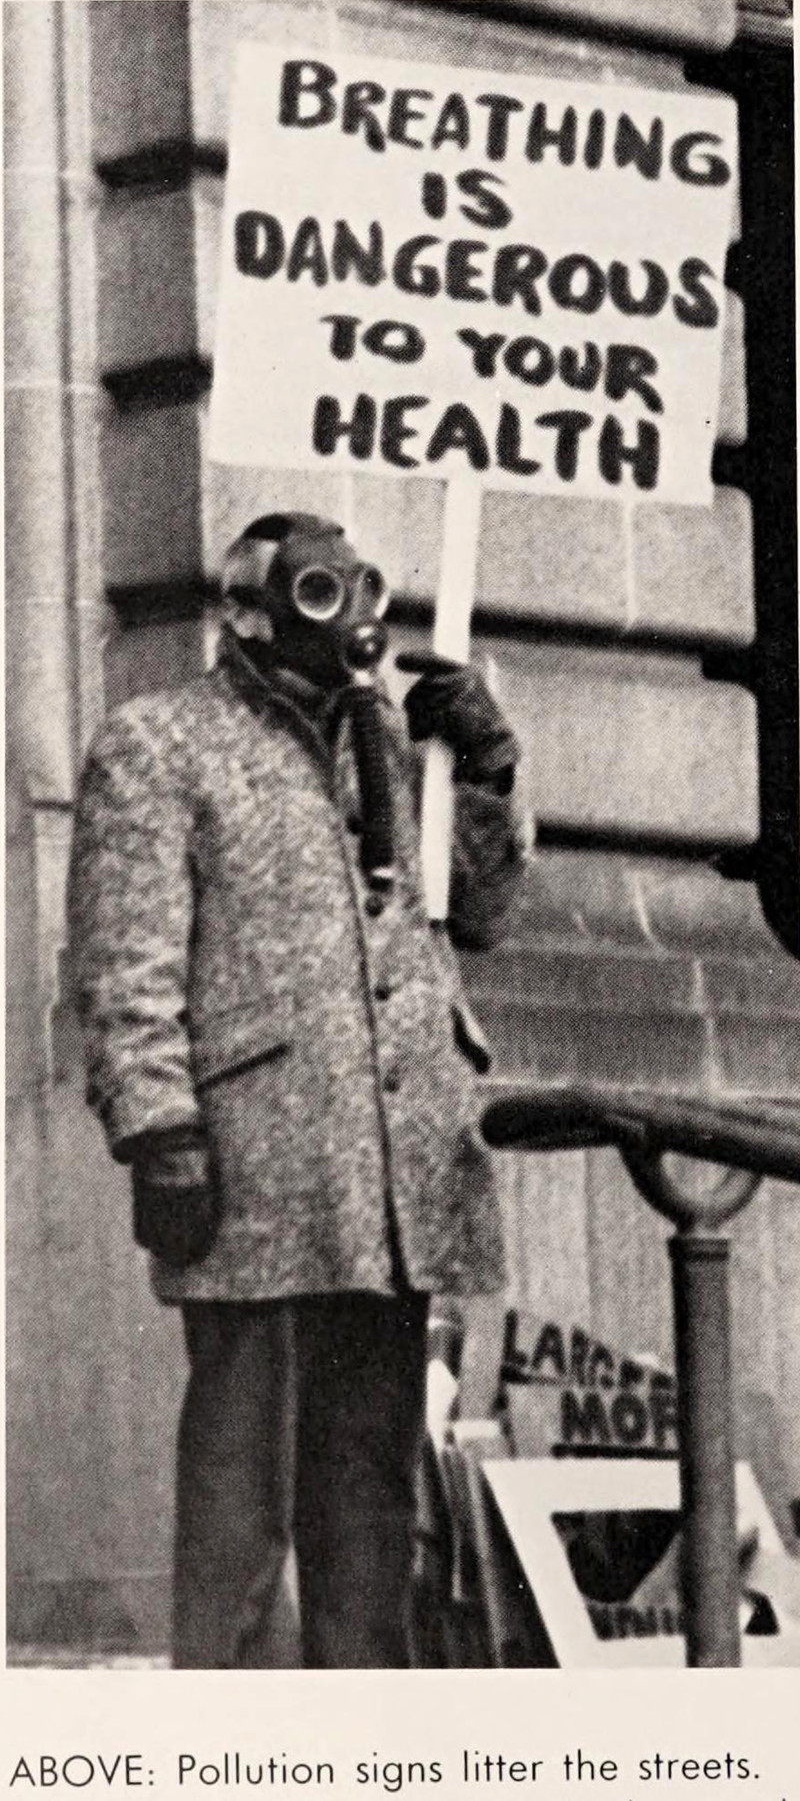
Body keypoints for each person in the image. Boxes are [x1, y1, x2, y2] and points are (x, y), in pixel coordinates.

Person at [67, 510, 524, 1669]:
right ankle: (232, 1740)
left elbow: (479, 913)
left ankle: (353, 1734)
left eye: (359, 586)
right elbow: (123, 963)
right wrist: (160, 1132)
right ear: (244, 613)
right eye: (317, 593)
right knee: (240, 1512)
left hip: (394, 1183)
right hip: (257, 1175)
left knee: (370, 1505)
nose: (349, 615)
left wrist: (483, 768)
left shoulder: (391, 746)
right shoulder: (160, 742)